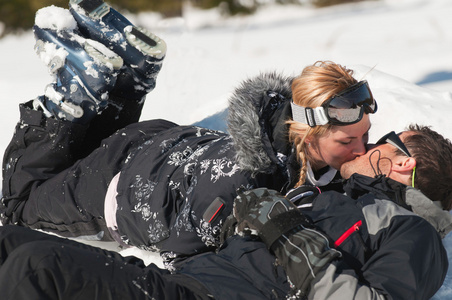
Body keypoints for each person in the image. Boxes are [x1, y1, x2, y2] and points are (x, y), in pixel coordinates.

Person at [0, 1, 375, 268]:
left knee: (76, 160)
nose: (362, 149)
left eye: (364, 136)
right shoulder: (247, 184)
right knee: (19, 206)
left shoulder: (277, 127)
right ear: (307, 136)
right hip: (120, 184)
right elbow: (184, 252)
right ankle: (74, 90)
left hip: (155, 147)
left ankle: (131, 75)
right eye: (347, 142)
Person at [0, 126, 451, 299]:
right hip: (181, 278)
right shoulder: (332, 194)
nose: (368, 145)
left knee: (38, 270)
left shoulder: (412, 234)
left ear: (404, 164)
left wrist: (286, 231)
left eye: (384, 140)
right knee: (10, 245)